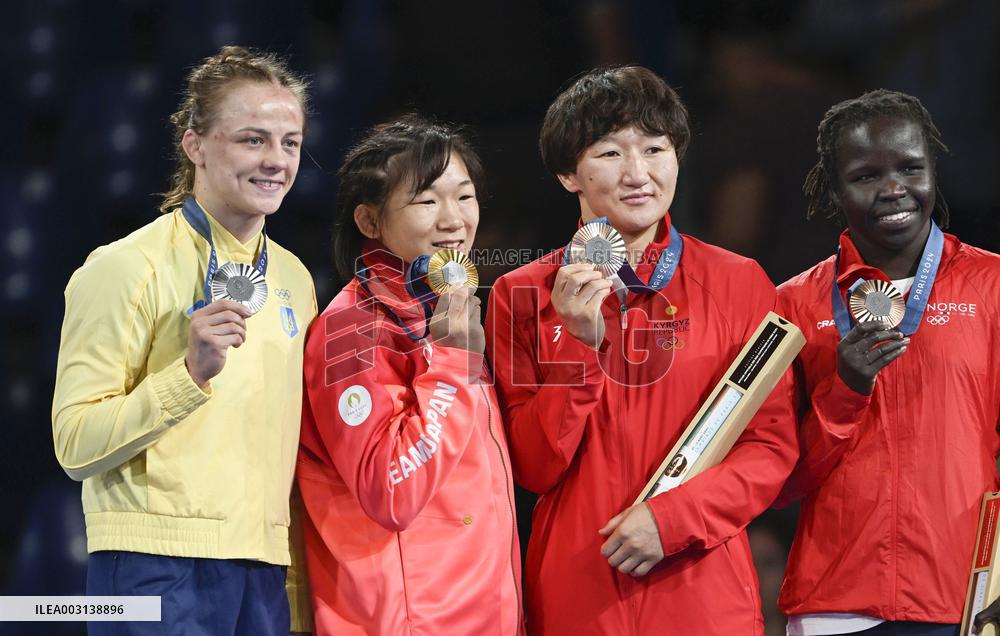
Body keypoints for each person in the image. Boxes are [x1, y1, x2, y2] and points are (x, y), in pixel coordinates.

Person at [485, 65, 798, 634]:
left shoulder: (738, 282)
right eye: (608, 153)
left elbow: (769, 446)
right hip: (580, 591)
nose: (638, 174)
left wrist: (674, 520)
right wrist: (580, 346)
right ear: (567, 174)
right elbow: (532, 465)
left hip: (702, 589)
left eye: (655, 149)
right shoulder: (521, 294)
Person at [51, 46, 317, 635]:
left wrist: (294, 586)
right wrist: (187, 376)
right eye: (252, 139)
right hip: (150, 565)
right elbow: (73, 444)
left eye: (290, 142)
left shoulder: (295, 281)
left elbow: (284, 446)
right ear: (194, 145)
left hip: (262, 570)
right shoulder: (123, 268)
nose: (276, 160)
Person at [775, 89, 1000, 636]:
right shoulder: (794, 306)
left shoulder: (992, 286)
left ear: (932, 173)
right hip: (836, 603)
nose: (894, 188)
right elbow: (780, 478)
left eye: (910, 168)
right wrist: (844, 390)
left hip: (964, 597)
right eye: (866, 175)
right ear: (834, 189)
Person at [297, 115, 523, 635]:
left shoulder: (445, 314)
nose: (454, 220)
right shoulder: (349, 333)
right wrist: (451, 363)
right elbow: (391, 492)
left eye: (464, 197)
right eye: (426, 201)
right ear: (370, 222)